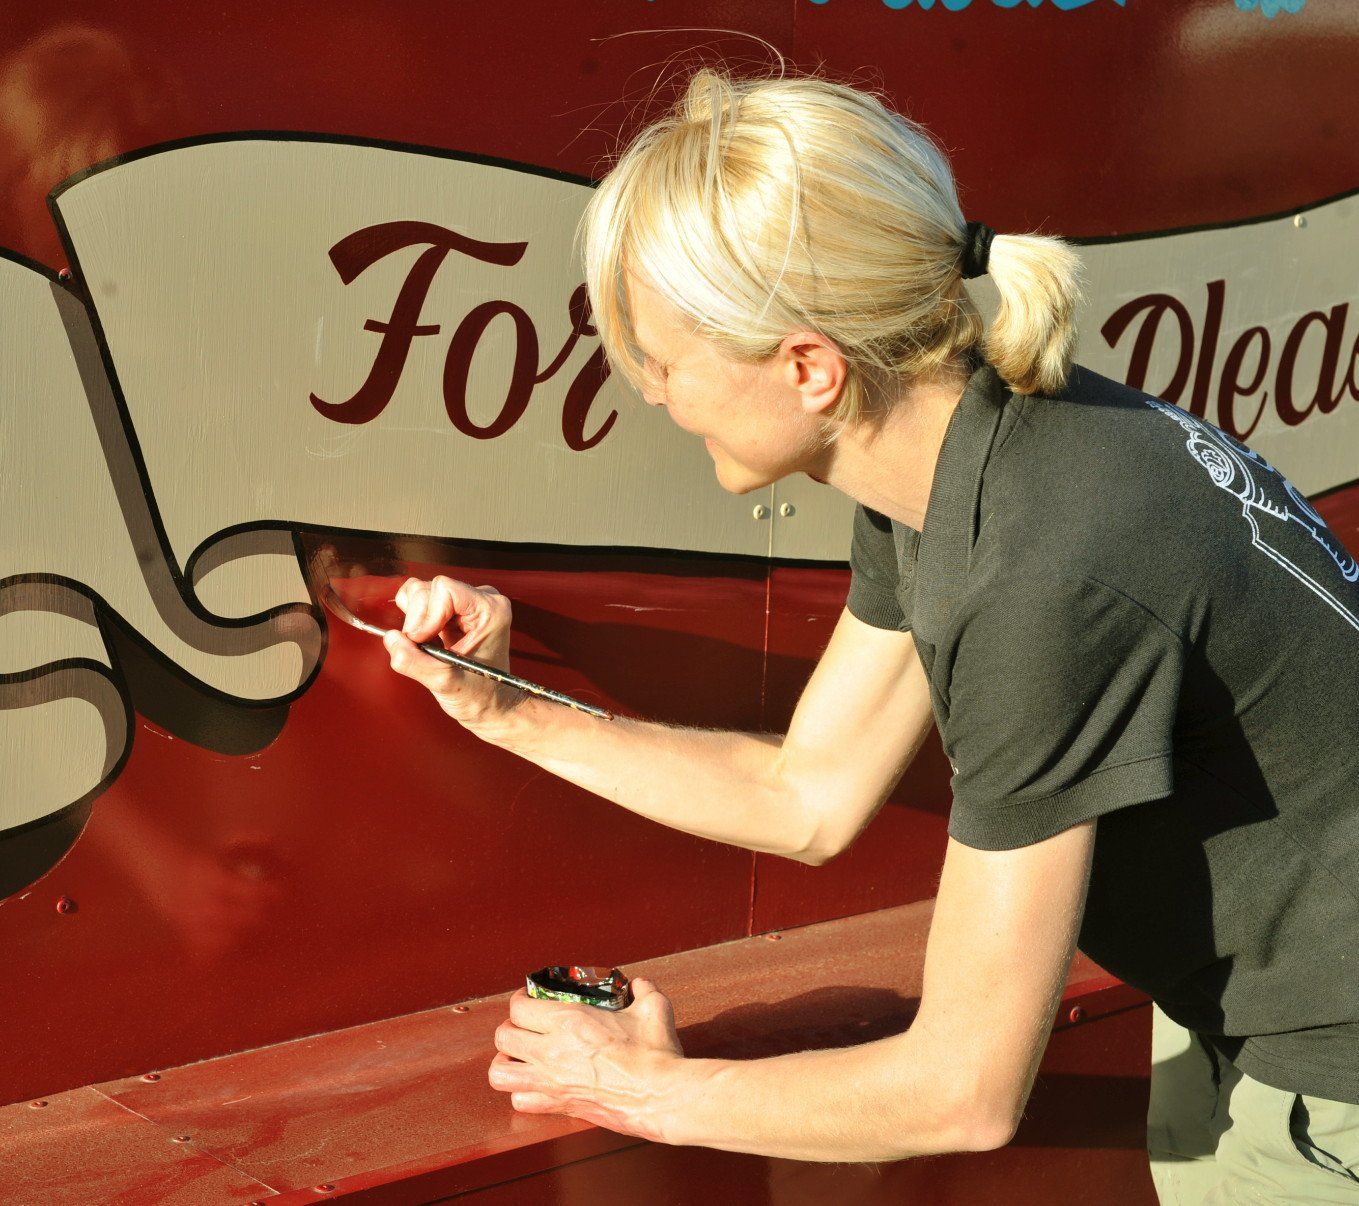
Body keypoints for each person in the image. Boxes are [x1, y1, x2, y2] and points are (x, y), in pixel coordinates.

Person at [382, 66, 1359, 1200]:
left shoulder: (1039, 570)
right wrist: (505, 710)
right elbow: (805, 796)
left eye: (663, 358)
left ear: (808, 367)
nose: (649, 390)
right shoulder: (971, 453)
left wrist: (637, 1090)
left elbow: (961, 1092)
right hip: (1269, 1018)